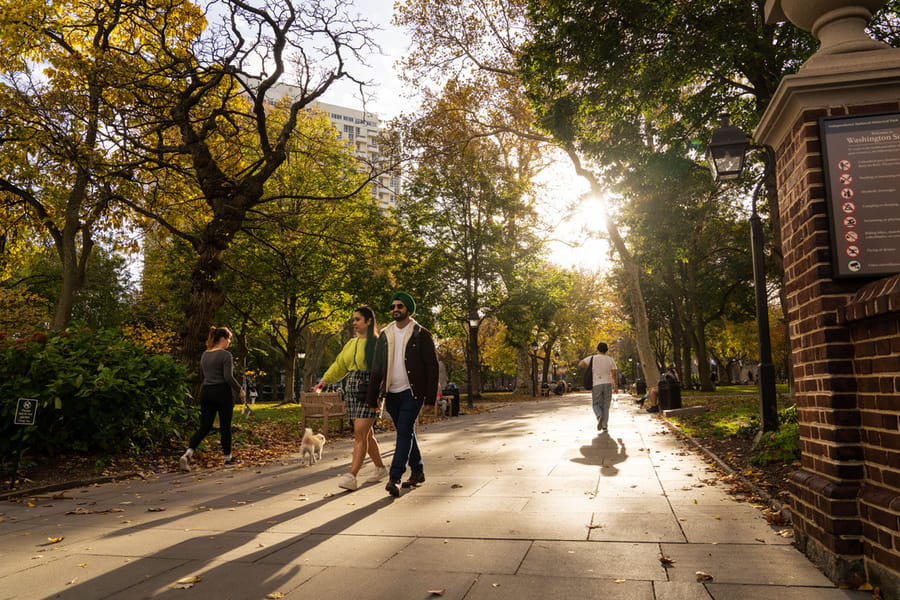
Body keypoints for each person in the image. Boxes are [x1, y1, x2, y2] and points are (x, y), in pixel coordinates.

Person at [366, 291, 439, 497]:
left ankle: (395, 477)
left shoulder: (420, 333)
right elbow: (377, 367)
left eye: (400, 306)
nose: (396, 309)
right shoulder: (386, 334)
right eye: (393, 306)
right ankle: (418, 471)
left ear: (408, 309)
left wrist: (431, 399)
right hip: (392, 394)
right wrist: (373, 397)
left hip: (412, 392)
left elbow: (432, 367)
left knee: (404, 432)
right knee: (407, 433)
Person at [313, 305, 388, 491]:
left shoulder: (378, 343)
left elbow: (384, 371)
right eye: (353, 319)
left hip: (369, 391)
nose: (354, 323)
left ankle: (351, 476)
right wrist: (324, 381)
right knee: (366, 434)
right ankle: (380, 468)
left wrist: (379, 396)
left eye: (357, 319)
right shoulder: (351, 344)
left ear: (368, 321)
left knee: (360, 433)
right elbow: (339, 365)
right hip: (352, 391)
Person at [179, 326, 246, 471]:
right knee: (225, 427)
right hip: (222, 393)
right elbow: (228, 377)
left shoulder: (205, 355)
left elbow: (203, 377)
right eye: (229, 339)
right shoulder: (225, 355)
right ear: (223, 339)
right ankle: (228, 458)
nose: (229, 342)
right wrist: (240, 389)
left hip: (207, 392)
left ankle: (188, 453)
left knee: (205, 426)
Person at [578, 342, 618, 432]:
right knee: (606, 405)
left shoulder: (592, 358)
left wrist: (589, 367)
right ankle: (604, 426)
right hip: (608, 383)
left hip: (596, 384)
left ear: (598, 349)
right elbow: (614, 374)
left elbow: (580, 364)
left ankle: (599, 415)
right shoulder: (610, 359)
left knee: (596, 404)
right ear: (606, 350)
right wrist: (615, 386)